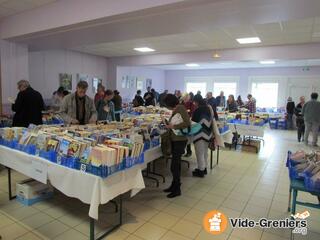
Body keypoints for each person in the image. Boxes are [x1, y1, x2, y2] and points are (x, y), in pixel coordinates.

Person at [163, 94, 191, 198]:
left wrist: (173, 126)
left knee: (175, 165)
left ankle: (177, 188)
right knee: (175, 165)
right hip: (176, 139)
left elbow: (187, 123)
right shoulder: (178, 108)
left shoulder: (180, 108)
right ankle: (174, 185)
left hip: (180, 140)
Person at [192, 95, 213, 177]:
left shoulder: (198, 110)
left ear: (197, 102)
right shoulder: (208, 108)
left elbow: (193, 122)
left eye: (194, 102)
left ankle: (200, 171)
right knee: (205, 152)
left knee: (199, 153)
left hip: (199, 133)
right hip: (208, 133)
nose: (194, 104)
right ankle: (204, 168)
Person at [180, 93, 195, 157]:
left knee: (187, 137)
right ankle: (182, 150)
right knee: (181, 137)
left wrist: (188, 112)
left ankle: (189, 151)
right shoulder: (181, 103)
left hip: (188, 122)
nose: (185, 99)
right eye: (184, 98)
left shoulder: (191, 104)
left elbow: (193, 112)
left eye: (186, 98)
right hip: (181, 121)